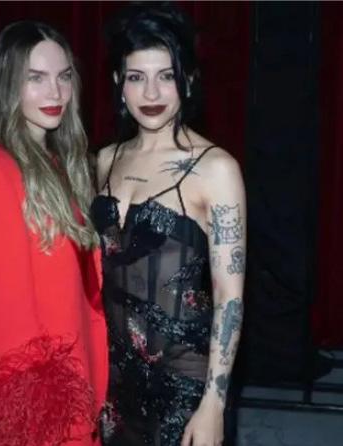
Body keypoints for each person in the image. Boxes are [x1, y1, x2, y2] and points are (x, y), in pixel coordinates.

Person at [90, 6, 246, 446]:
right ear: (118, 83)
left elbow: (230, 298)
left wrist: (214, 404)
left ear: (188, 80)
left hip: (184, 382)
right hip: (117, 379)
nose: (151, 92)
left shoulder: (215, 169)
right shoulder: (105, 160)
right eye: (136, 77)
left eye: (166, 76)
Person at [0, 21, 108, 446]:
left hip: (80, 381)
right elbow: (3, 332)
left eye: (64, 76)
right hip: (45, 416)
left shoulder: (56, 165)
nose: (55, 93)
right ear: (7, 84)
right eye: (35, 78)